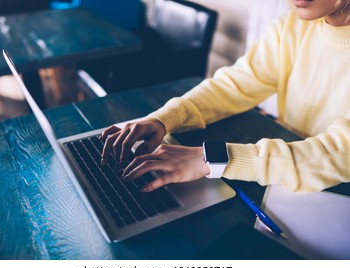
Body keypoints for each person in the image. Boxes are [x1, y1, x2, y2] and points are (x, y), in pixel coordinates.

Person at [100, 0, 350, 193]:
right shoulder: (292, 25)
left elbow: (341, 154)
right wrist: (163, 119)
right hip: (287, 169)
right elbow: (236, 84)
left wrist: (214, 158)